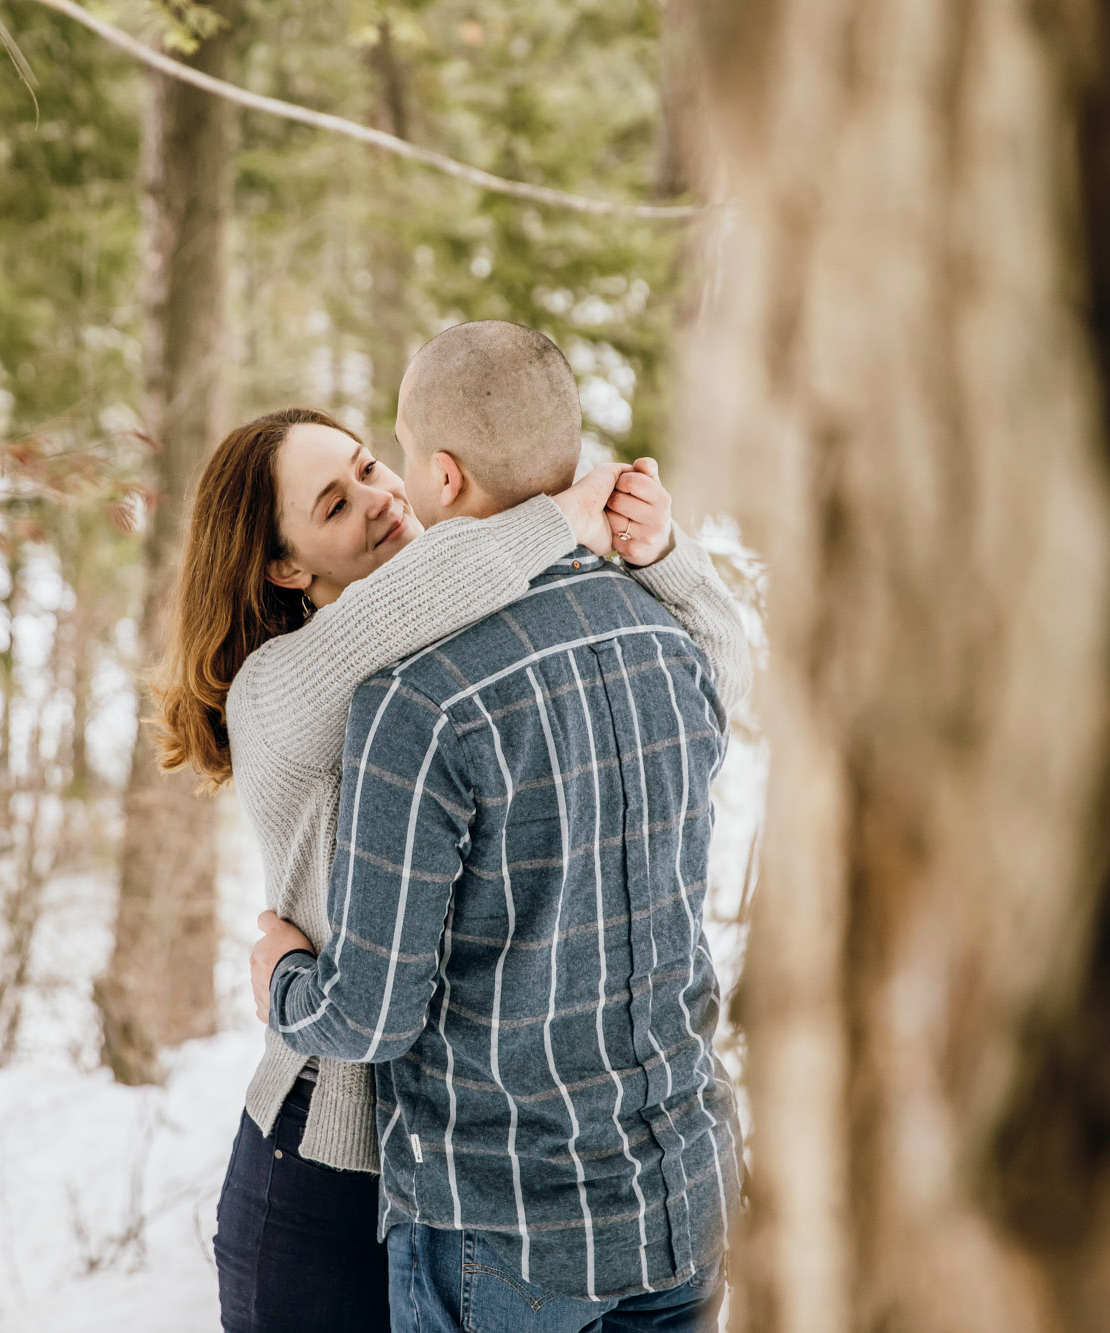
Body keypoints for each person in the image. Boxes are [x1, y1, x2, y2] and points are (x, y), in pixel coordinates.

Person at [155, 325, 747, 1333]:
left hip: (448, 1165)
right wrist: (557, 509)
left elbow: (703, 684)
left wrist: (661, 552)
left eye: (368, 465)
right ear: (286, 570)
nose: (382, 497)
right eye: (335, 504)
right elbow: (408, 602)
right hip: (327, 1150)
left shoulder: (455, 618)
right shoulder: (286, 688)